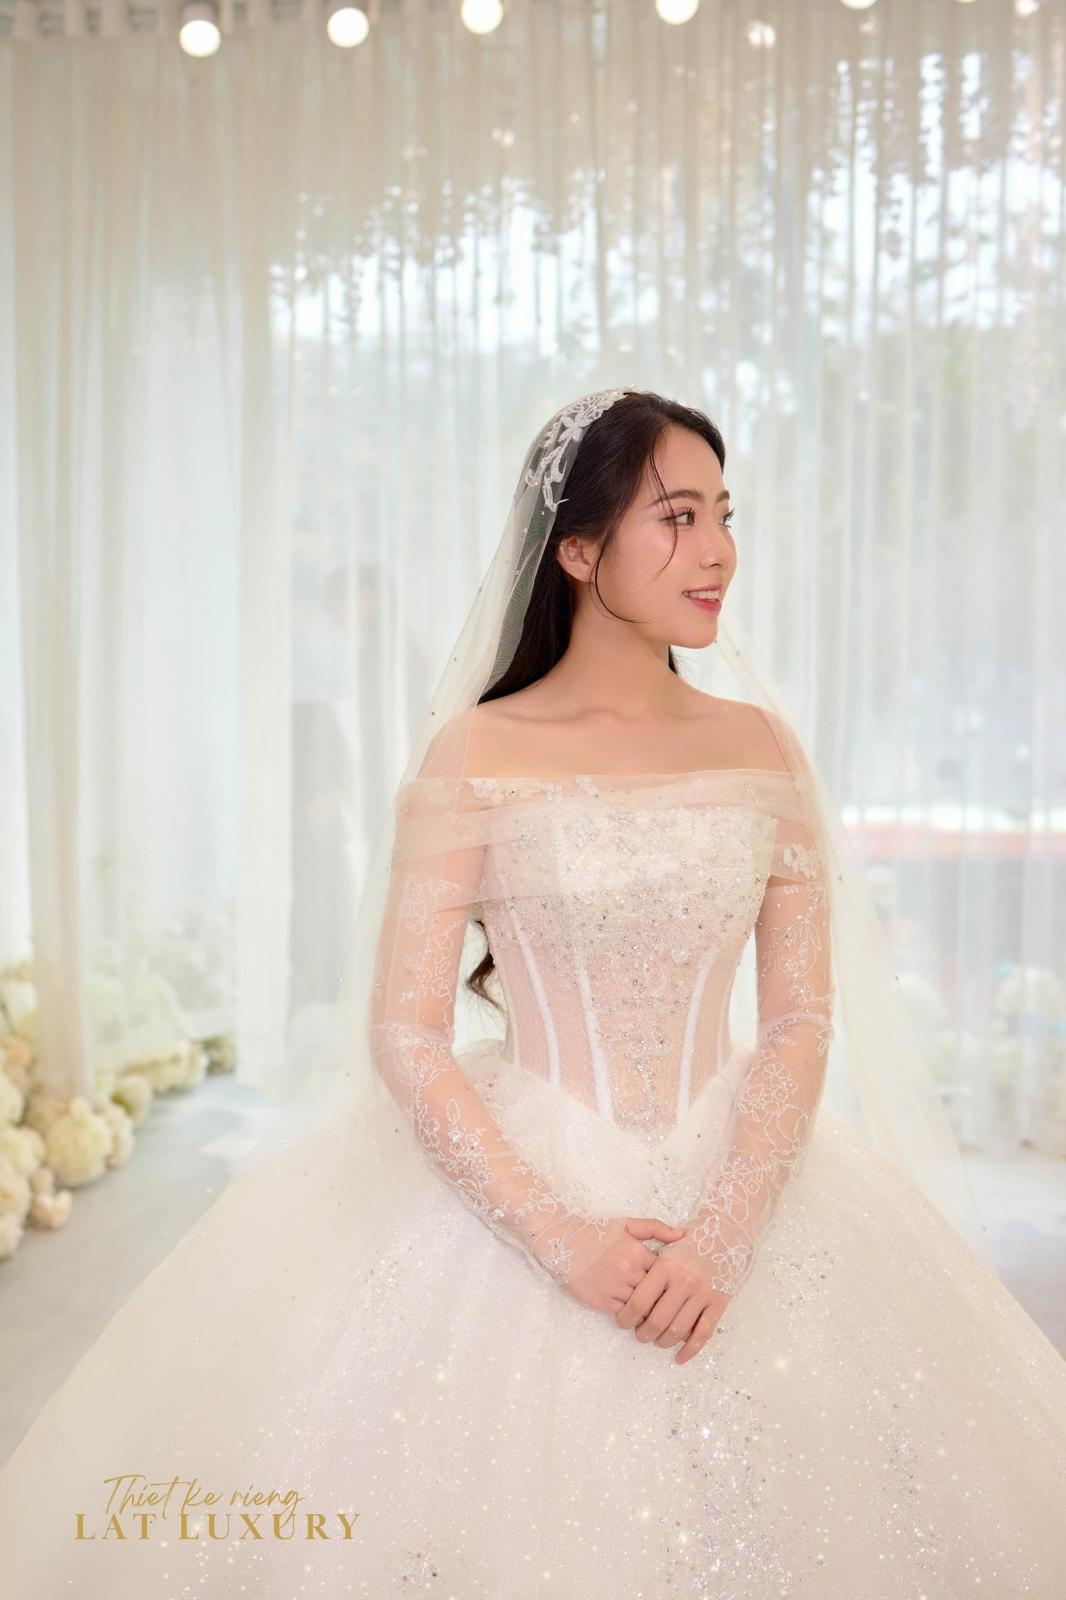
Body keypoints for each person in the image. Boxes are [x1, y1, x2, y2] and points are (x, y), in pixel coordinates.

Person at [1, 387, 1065, 1598]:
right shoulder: (478, 750)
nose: (717, 550)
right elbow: (406, 1031)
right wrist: (564, 1240)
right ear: (576, 548)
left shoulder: (760, 748)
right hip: (525, 1183)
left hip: (746, 1182)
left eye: (724, 515)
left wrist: (723, 1235)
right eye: (676, 516)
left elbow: (800, 1017)